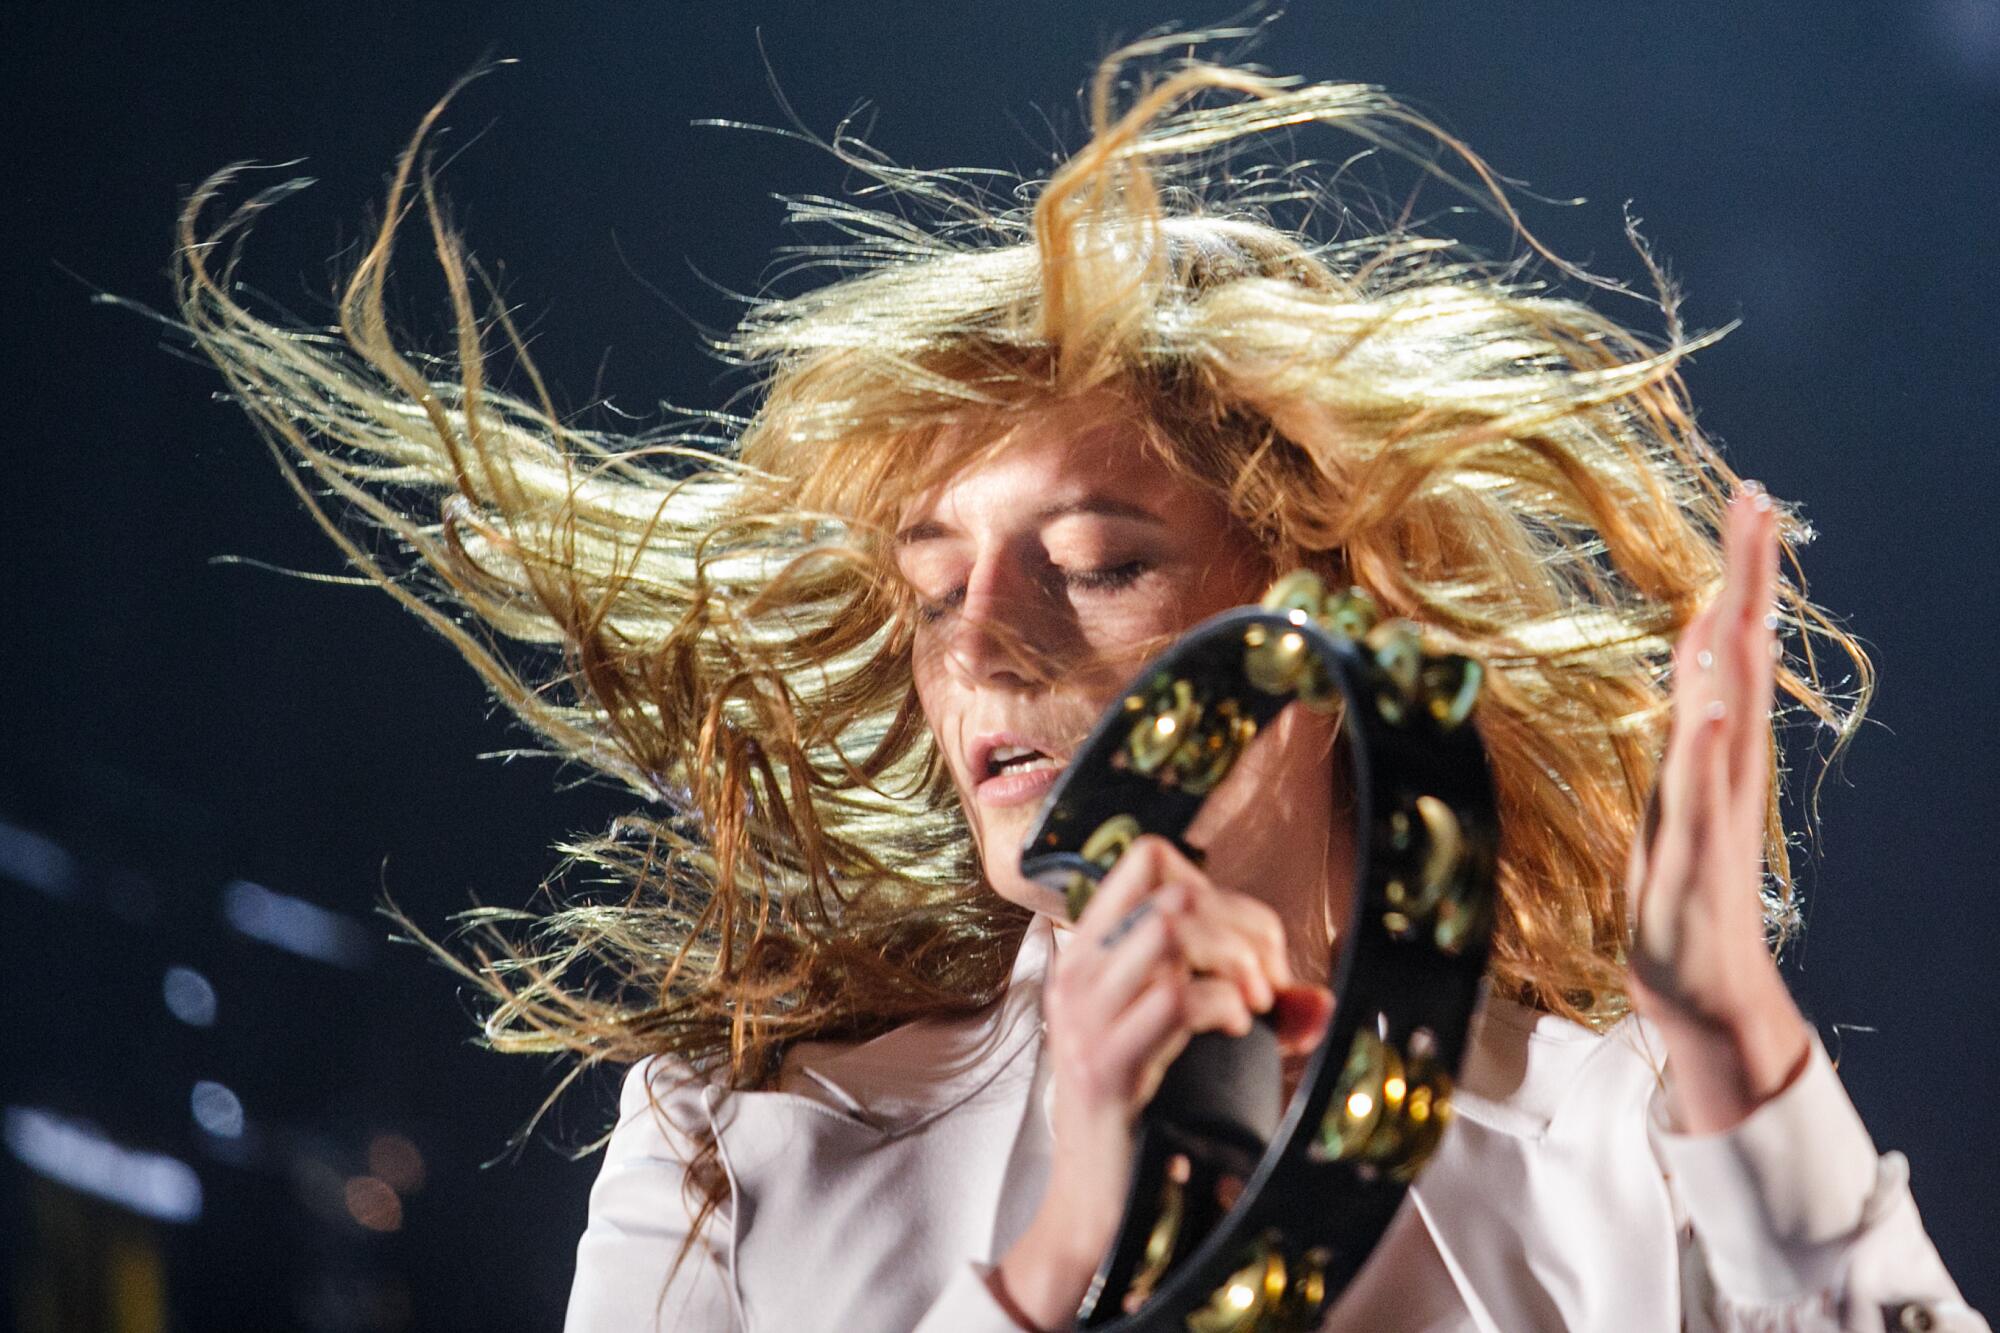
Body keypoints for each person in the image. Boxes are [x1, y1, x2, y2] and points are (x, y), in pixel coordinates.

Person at [165, 32, 1984, 1333]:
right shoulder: (748, 1151)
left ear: (1325, 616)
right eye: (934, 583)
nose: (982, 644)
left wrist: (1742, 1051)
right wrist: (1053, 1269)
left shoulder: (1643, 1144)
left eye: (1101, 563)